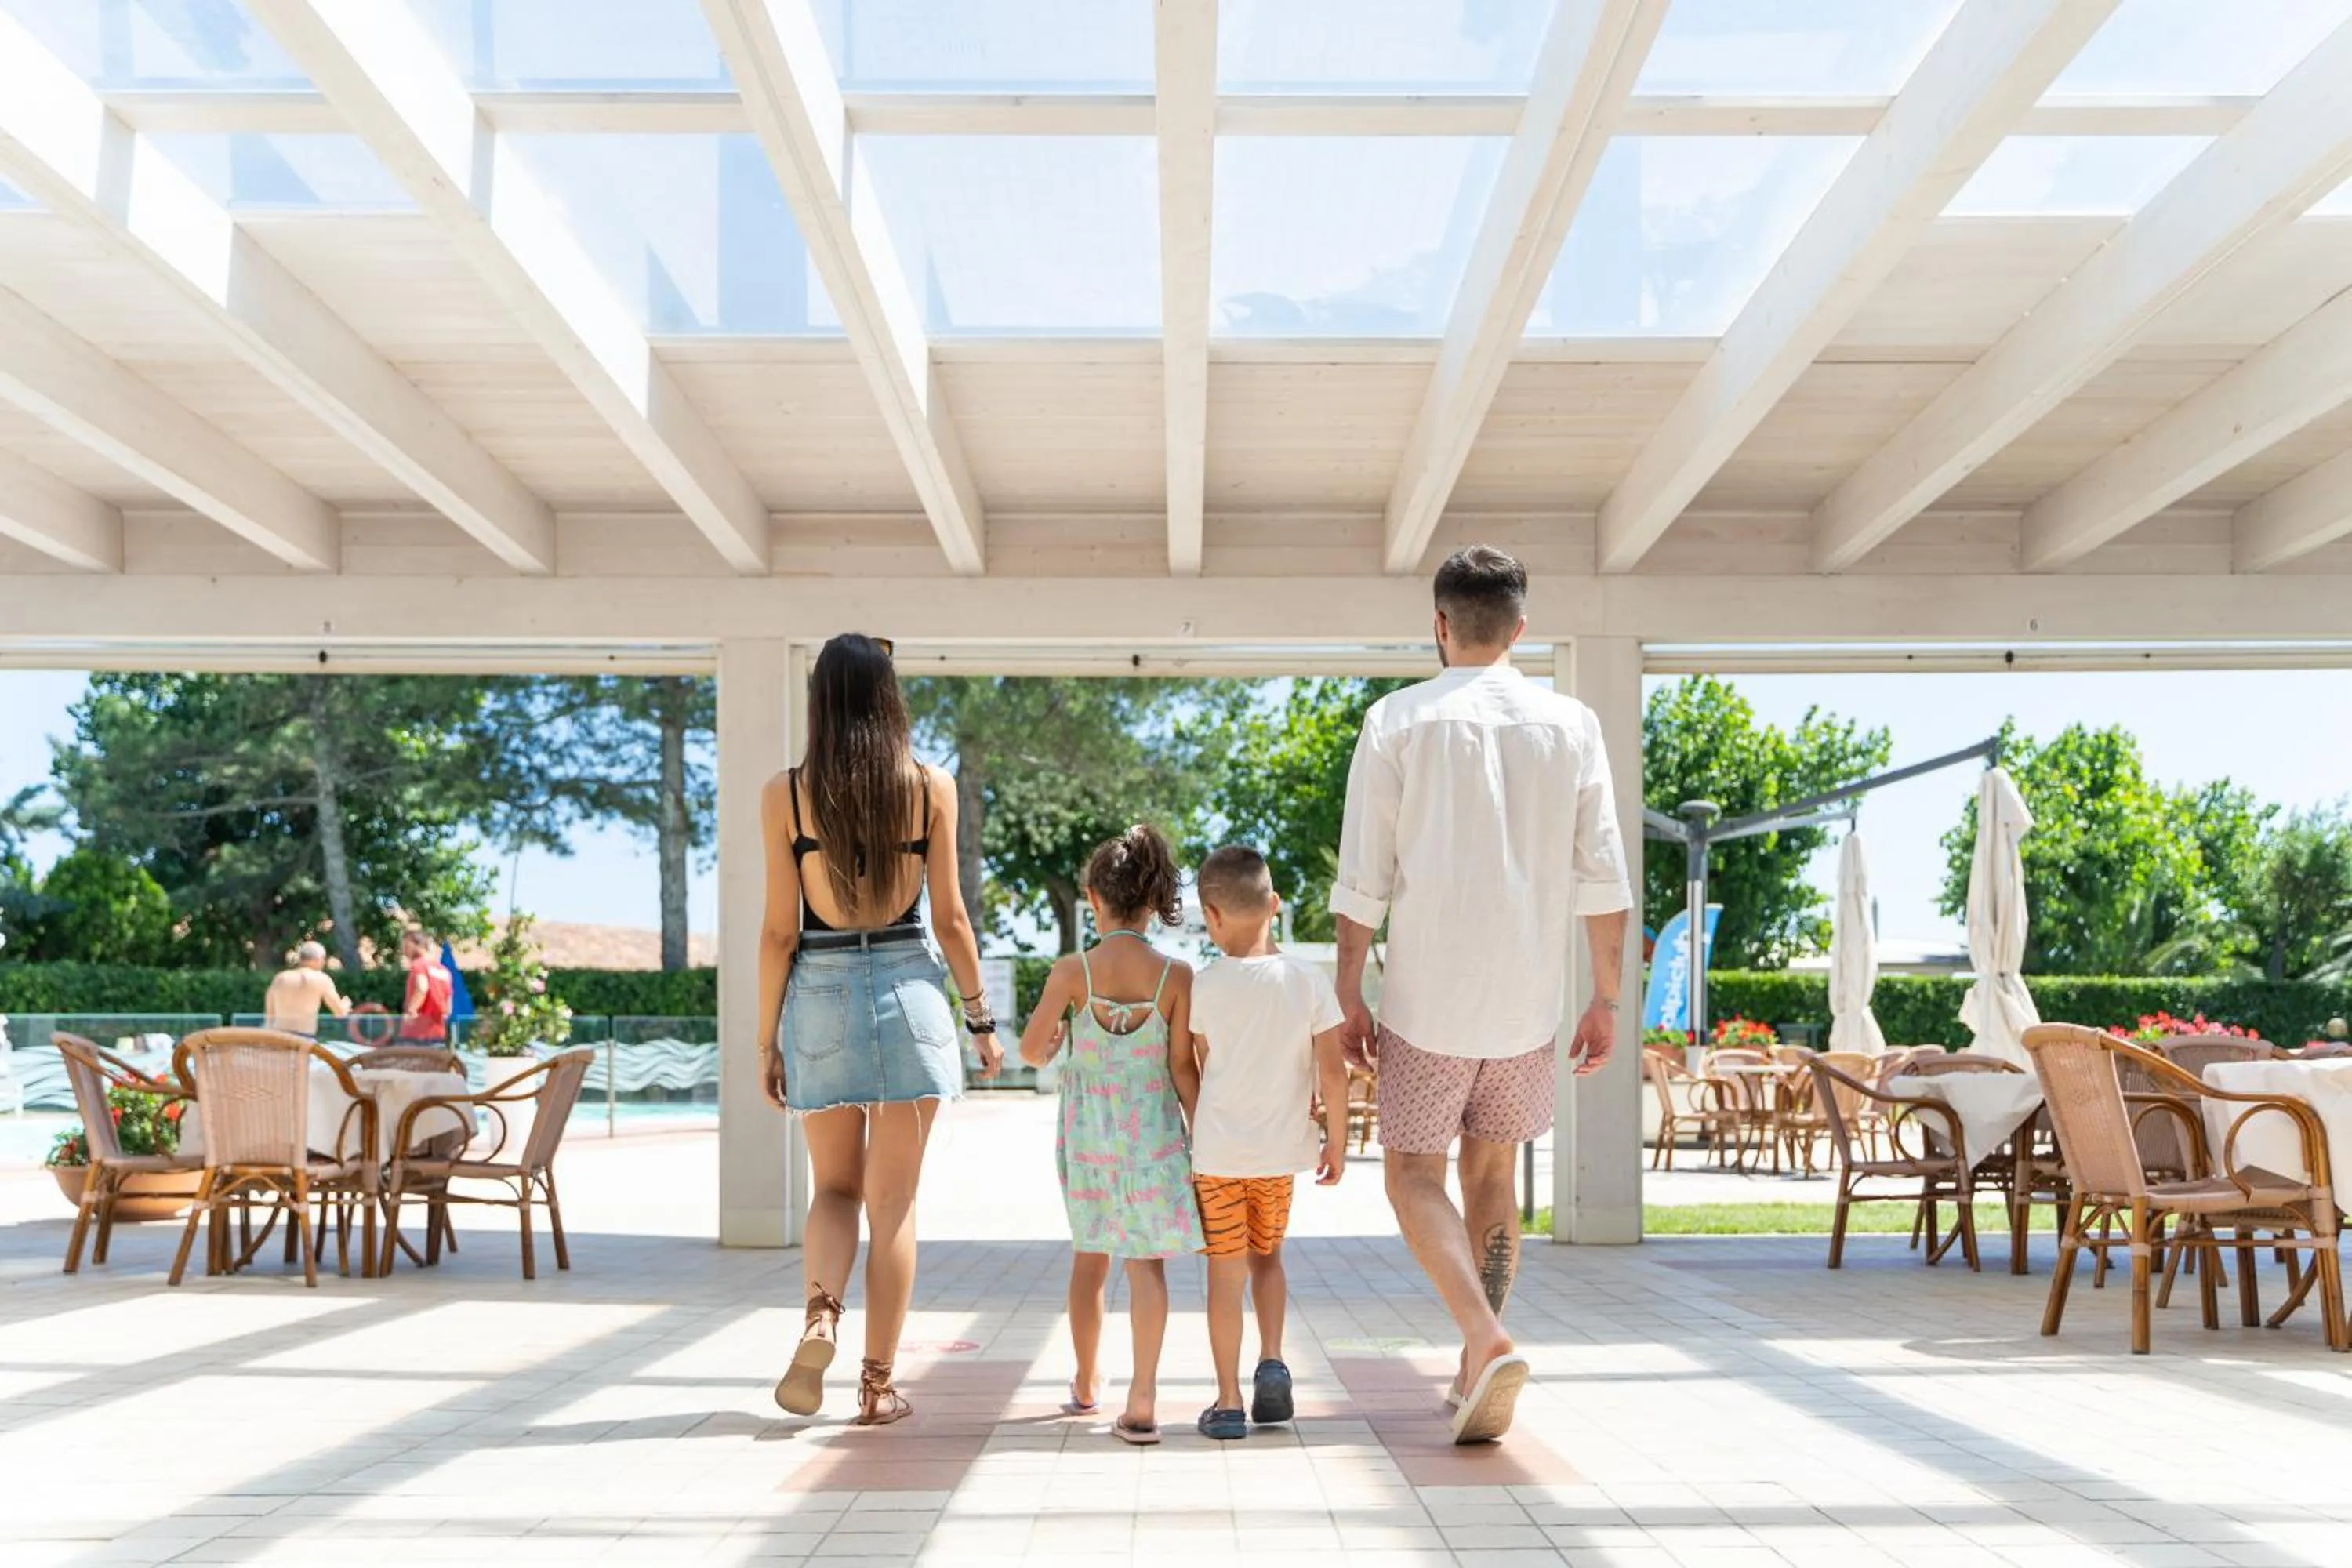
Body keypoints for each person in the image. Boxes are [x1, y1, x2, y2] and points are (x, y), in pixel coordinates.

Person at [1330, 543, 1632, 1446]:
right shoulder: (1572, 722)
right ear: (1521, 629)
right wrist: (1607, 999)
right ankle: (1475, 1361)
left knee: (1413, 1176)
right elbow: (1605, 879)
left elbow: (1362, 876)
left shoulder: (1397, 719)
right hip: (1527, 1008)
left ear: (1439, 624)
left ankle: (1481, 1334)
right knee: (1492, 1175)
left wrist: (1349, 987)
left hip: (1427, 1001)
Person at [759, 633, 1000, 1428]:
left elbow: (777, 933)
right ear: (888, 696)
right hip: (910, 991)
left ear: (821, 699)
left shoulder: (785, 795)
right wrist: (981, 1020)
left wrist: (768, 1040)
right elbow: (954, 918)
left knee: (833, 1187)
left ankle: (821, 1313)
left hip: (820, 992)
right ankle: (876, 1384)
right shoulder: (931, 785)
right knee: (892, 1204)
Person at [1016, 825, 1200, 1445]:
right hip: (1153, 1141)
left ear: (1094, 897)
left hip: (1090, 1142)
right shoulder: (1177, 977)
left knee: (1089, 1259)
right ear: (1151, 903)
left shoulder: (1073, 973)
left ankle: (1087, 1381)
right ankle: (1143, 1395)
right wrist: (1203, 1136)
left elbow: (1032, 1051)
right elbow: (1182, 1068)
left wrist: (1062, 1041)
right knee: (1146, 1265)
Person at [1185, 845, 1348, 1442]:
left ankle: (1227, 1403)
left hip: (1220, 1156)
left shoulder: (1203, 986)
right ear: (1275, 906)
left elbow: (1200, 1063)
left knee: (1224, 1275)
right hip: (1281, 1155)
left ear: (1211, 915)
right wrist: (1337, 1140)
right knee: (1269, 1259)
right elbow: (1334, 1072)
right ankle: (1273, 1360)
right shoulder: (1307, 980)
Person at [264, 941, 350, 1038]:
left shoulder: (280, 978)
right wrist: (345, 1005)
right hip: (303, 1040)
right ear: (319, 959)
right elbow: (339, 1013)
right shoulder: (321, 979)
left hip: (280, 1037)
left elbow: (270, 1015)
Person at [397, 927, 454, 1043]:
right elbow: (449, 1000)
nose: (404, 951)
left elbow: (422, 988)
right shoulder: (444, 970)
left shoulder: (419, 965)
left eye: (406, 946)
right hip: (437, 1032)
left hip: (415, 1032)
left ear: (416, 944)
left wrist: (411, 1011)